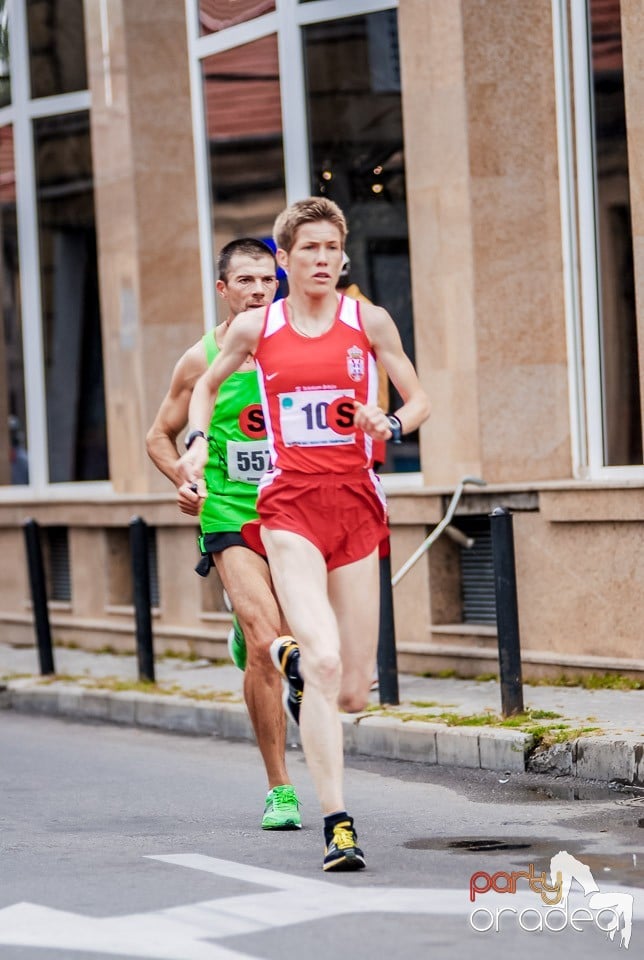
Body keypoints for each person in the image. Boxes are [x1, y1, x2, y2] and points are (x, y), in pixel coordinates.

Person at [177, 197, 431, 872]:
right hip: (287, 507)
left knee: (351, 689)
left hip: (355, 509)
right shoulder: (258, 330)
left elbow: (420, 396)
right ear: (285, 261)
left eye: (331, 248)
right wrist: (199, 443)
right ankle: (337, 822)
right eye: (308, 249)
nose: (321, 259)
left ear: (342, 256)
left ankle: (299, 664)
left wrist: (392, 423)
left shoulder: (368, 319)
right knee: (318, 663)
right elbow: (203, 388)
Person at [146, 237, 302, 831]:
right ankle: (280, 789)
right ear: (224, 289)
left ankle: (246, 629)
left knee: (286, 637)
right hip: (230, 513)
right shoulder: (201, 357)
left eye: (268, 281)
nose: (259, 291)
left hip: (293, 510)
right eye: (246, 282)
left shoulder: (299, 345)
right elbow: (159, 436)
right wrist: (184, 477)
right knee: (269, 643)